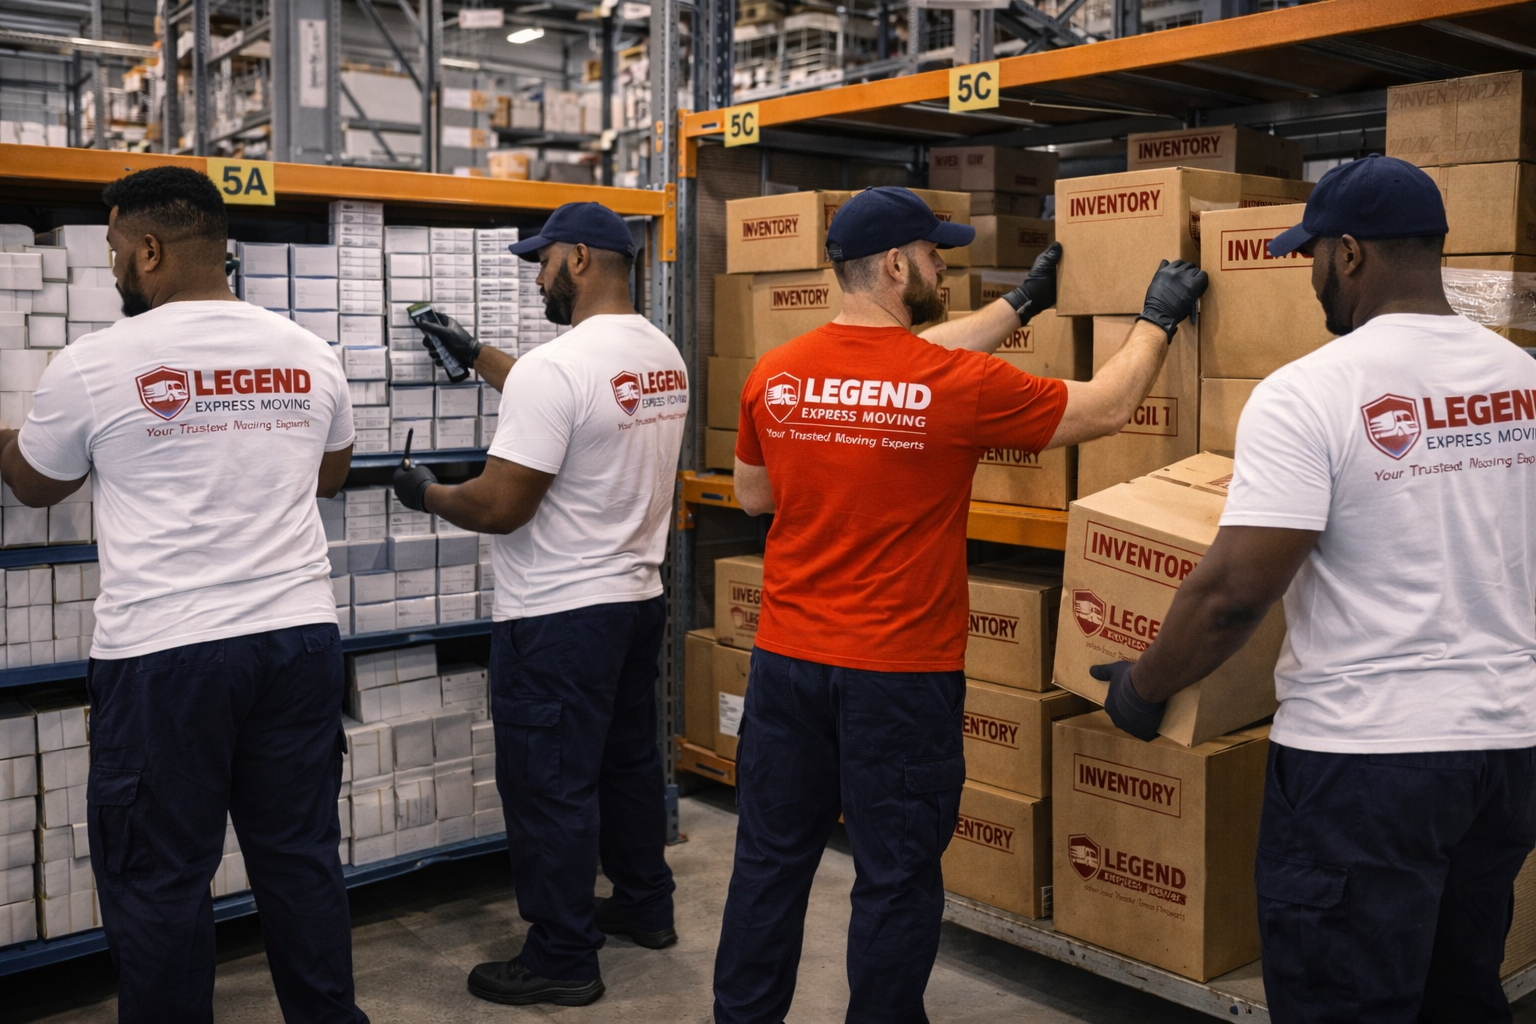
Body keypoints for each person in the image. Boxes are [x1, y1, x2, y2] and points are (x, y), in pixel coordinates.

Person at [713, 185, 1208, 1024]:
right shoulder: (955, 383)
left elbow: (755, 496)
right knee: (896, 876)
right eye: (937, 256)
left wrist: (1019, 306)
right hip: (898, 681)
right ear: (898, 264)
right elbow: (1110, 405)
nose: (945, 269)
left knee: (768, 861)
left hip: (789, 666)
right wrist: (1157, 318)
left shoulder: (778, 373)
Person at [1090, 154, 1536, 1022]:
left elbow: (1232, 595)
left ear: (1352, 253)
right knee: (1460, 992)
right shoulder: (1524, 382)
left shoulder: (1311, 392)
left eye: (1312, 257)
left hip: (1366, 768)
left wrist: (1144, 690)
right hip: (1510, 753)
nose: (1311, 279)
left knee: (1346, 1003)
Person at [0, 167, 364, 1024]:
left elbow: (36, 485)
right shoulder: (308, 351)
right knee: (302, 862)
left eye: (117, 248)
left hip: (167, 655)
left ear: (150, 248)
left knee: (161, 881)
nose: (116, 264)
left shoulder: (94, 364)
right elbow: (333, 472)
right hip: (298, 639)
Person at [392, 201, 686, 1008]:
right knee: (626, 767)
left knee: (550, 785)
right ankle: (644, 907)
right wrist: (475, 352)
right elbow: (576, 405)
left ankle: (561, 957)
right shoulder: (661, 354)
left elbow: (498, 505)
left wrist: (426, 495)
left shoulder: (559, 368)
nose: (536, 275)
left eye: (544, 259)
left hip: (556, 618)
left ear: (582, 259)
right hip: (635, 599)